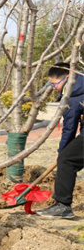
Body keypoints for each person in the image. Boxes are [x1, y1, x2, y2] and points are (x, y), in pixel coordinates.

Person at [37, 62, 84, 219]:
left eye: (54, 84)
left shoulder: (74, 95)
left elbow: (69, 128)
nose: (53, 88)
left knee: (66, 160)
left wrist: (62, 152)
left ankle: (62, 206)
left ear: (67, 79)